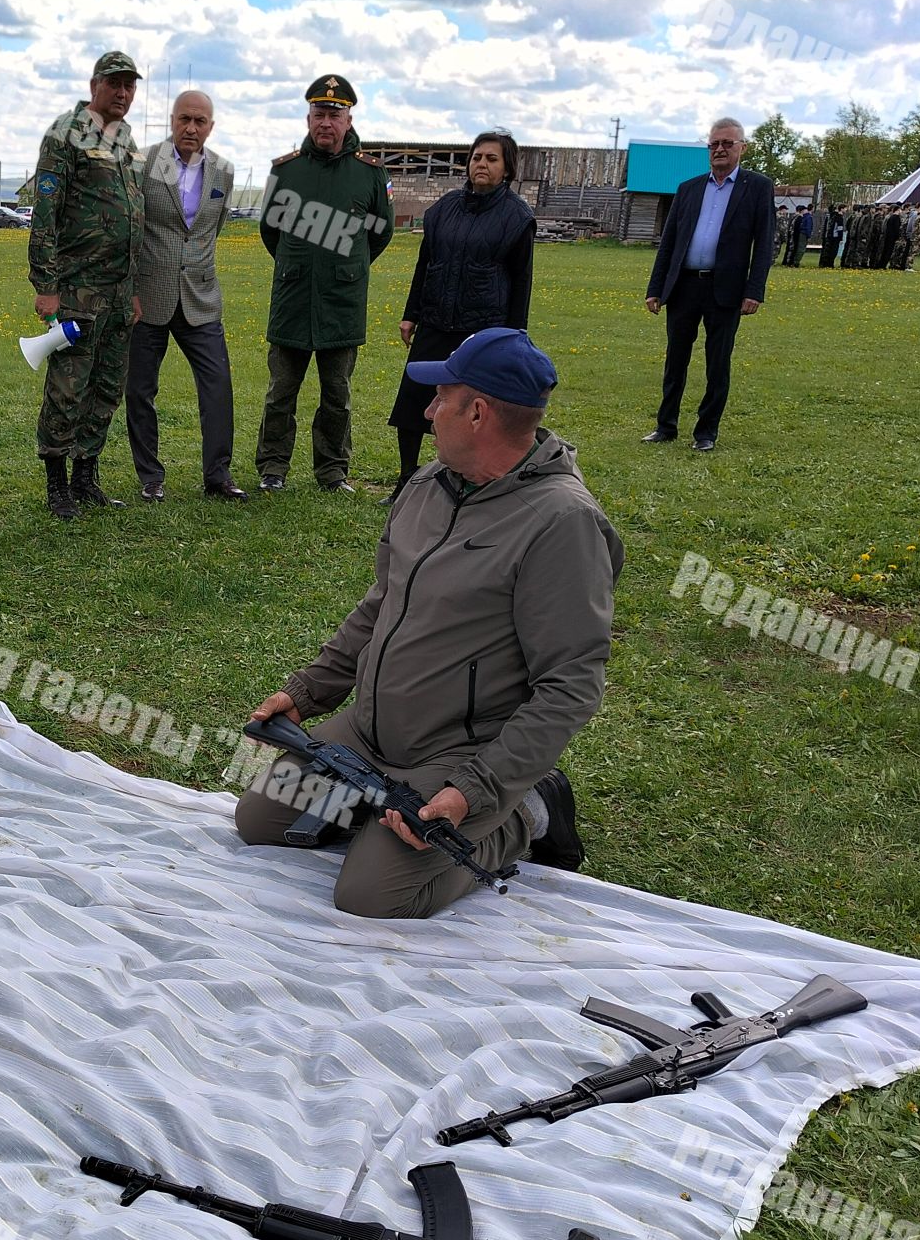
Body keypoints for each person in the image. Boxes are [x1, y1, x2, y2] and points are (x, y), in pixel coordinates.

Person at [235, 329, 622, 919]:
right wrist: (307, 691)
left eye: (441, 396)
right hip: (370, 734)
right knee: (259, 818)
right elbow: (379, 606)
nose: (427, 409)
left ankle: (527, 812)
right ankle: (381, 806)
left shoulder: (562, 525)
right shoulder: (425, 486)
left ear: (477, 412)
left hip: (460, 752)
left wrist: (473, 792)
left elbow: (570, 686)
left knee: (372, 895)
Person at [254, 75, 393, 493]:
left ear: (349, 119)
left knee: (337, 395)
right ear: (308, 117)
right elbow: (270, 233)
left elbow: (379, 234)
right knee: (281, 392)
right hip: (293, 299)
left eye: (335, 114)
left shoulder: (369, 174)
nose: (326, 122)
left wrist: (345, 267)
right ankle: (273, 468)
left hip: (341, 303)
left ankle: (333, 472)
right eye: (319, 114)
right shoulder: (287, 171)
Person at [28, 51, 146, 519]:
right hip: (77, 288)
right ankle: (57, 483)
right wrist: (46, 284)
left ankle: (86, 476)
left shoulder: (128, 140)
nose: (122, 93)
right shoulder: (64, 134)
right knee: (68, 384)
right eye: (115, 84)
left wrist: (134, 288)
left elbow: (133, 216)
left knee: (107, 385)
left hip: (120, 293)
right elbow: (45, 214)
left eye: (130, 86)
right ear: (94, 83)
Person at [386, 129, 533, 499]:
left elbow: (521, 280)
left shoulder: (517, 217)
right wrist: (410, 314)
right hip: (435, 319)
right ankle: (407, 479)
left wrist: (514, 336)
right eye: (477, 157)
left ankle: (467, 480)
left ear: (507, 168)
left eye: (491, 159)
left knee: (471, 411)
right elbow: (425, 265)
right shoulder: (441, 210)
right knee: (415, 402)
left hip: (481, 327)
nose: (481, 164)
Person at [124, 89, 244, 504]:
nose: (191, 128)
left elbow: (212, 229)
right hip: (148, 298)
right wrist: (133, 289)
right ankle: (151, 477)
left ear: (211, 126)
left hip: (201, 298)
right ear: (171, 120)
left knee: (218, 388)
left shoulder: (224, 172)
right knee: (139, 390)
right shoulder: (143, 163)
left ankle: (218, 475)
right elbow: (131, 228)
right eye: (184, 119)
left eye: (200, 121)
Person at [641, 116, 774, 453]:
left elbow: (765, 244)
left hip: (725, 289)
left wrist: (754, 290)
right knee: (676, 360)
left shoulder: (757, 187)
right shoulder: (688, 188)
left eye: (727, 143)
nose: (719, 149)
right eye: (714, 143)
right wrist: (656, 287)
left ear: (742, 148)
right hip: (684, 286)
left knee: (718, 363)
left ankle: (706, 432)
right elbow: (669, 242)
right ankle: (665, 425)